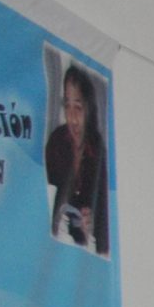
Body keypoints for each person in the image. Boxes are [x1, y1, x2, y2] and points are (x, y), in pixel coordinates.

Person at [45, 60, 108, 254]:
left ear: (88, 109)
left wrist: (88, 226)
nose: (71, 118)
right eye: (67, 107)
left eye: (78, 108)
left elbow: (104, 221)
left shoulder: (97, 150)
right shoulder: (56, 143)